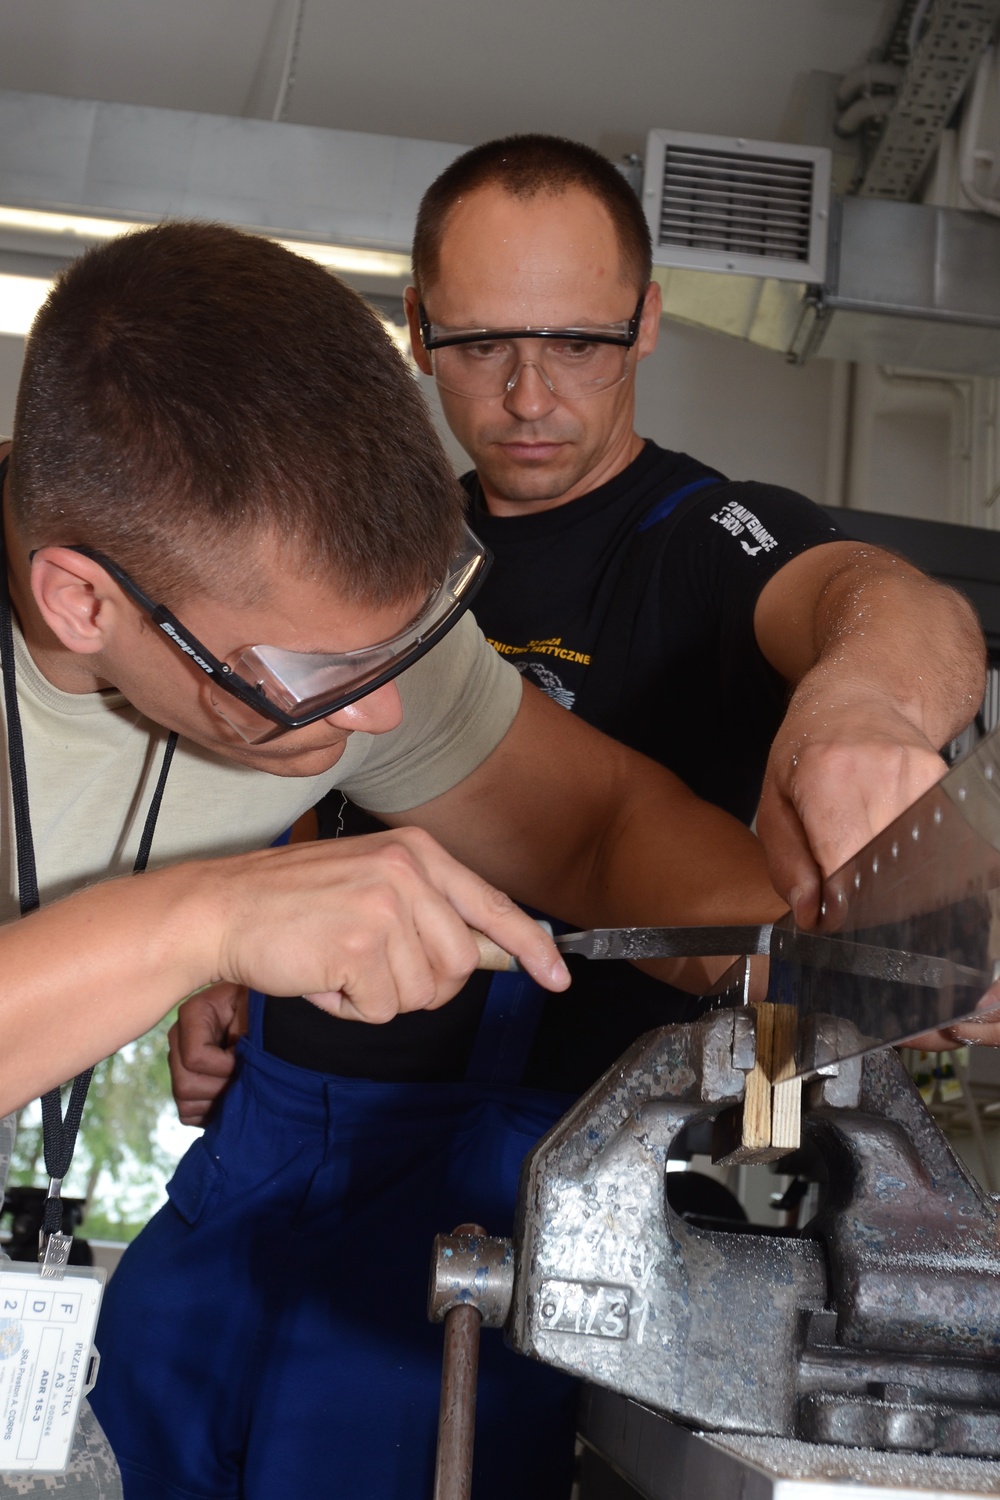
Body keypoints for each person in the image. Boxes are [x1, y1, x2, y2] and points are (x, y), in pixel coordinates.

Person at [109, 138, 989, 1500]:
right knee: (136, 1403)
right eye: (477, 346)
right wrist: (226, 954)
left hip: (526, 1175)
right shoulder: (378, 551)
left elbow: (890, 606)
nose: (529, 395)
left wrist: (867, 712)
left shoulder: (713, 543)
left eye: (578, 342)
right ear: (416, 329)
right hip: (275, 1145)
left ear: (645, 321)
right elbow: (322, 767)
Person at [0, 217, 793, 1499]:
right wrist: (209, 920)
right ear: (82, 602)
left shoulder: (329, 641)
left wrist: (822, 970)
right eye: (318, 680)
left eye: (401, 649)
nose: (372, 723)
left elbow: (595, 828)